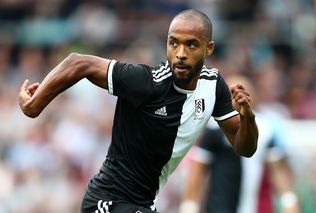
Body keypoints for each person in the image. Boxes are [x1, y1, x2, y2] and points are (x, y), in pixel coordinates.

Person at [18, 9, 258, 213]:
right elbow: (78, 62)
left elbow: (244, 148)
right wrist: (35, 104)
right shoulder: (146, 82)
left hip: (143, 205)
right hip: (108, 201)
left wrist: (247, 117)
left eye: (191, 44)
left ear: (209, 48)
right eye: (173, 43)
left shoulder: (214, 86)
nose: (181, 54)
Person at [180, 75, 299, 213]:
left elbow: (278, 170)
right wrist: (189, 205)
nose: (238, 98)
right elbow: (198, 170)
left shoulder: (265, 130)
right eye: (232, 93)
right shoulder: (214, 129)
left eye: (243, 92)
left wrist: (288, 200)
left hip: (254, 207)